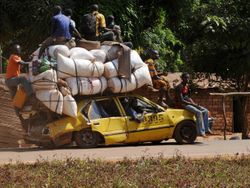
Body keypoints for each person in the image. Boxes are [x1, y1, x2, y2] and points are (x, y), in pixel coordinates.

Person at [175, 73, 213, 137]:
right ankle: (201, 132)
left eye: (188, 78)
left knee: (205, 111)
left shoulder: (187, 86)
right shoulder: (179, 87)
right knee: (199, 113)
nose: (187, 79)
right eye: (186, 78)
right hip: (182, 104)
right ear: (182, 78)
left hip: (188, 103)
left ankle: (206, 129)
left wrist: (194, 104)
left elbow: (188, 97)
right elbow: (181, 100)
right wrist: (192, 104)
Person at [5, 44, 34, 116]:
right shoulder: (13, 56)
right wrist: (31, 63)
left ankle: (18, 113)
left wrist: (29, 61)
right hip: (10, 80)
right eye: (18, 49)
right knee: (23, 79)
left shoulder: (17, 57)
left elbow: (23, 63)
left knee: (15, 97)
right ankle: (31, 95)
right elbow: (22, 63)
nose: (19, 50)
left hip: (9, 81)